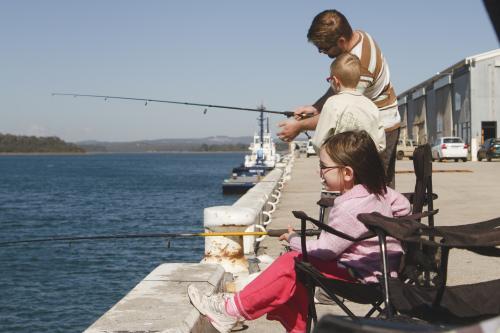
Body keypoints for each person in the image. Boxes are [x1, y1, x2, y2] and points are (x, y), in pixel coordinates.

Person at [188, 130, 411, 333]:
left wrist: (295, 239)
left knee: (292, 262)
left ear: (347, 173)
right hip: (381, 271)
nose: (320, 172)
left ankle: (230, 311)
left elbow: (325, 252)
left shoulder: (351, 207)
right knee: (299, 268)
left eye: (325, 167)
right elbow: (404, 207)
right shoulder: (380, 192)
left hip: (362, 278)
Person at [278, 9, 401, 188]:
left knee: (376, 189)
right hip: (375, 124)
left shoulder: (362, 67)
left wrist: (299, 126)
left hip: (380, 129)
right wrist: (315, 107)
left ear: (341, 41)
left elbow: (341, 111)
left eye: (325, 49)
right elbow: (342, 87)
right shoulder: (360, 36)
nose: (321, 52)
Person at [311, 52, 385, 153]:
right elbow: (380, 144)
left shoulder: (332, 103)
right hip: (366, 164)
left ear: (335, 81)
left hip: (339, 163)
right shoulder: (371, 106)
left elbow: (318, 142)